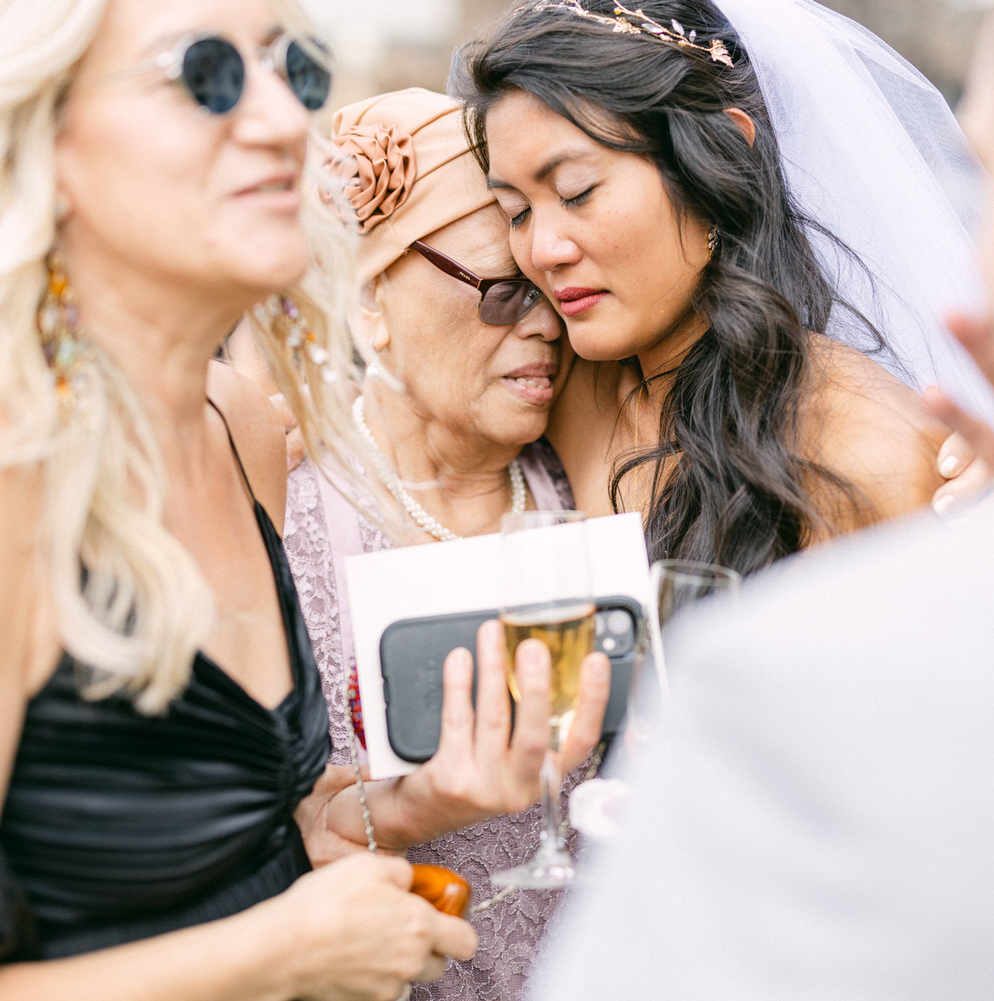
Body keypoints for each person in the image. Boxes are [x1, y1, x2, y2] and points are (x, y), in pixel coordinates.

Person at [0, 0, 608, 997]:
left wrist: (426, 799)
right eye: (201, 73)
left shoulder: (233, 421)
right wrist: (284, 954)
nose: (281, 121)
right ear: (44, 133)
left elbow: (232, 840)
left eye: (287, 67)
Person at [530, 0, 994, 995]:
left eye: (989, 182)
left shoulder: (812, 643)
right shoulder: (556, 379)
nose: (967, 294)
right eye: (512, 210)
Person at [455, 0, 994, 576]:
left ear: (718, 158)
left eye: (577, 191)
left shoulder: (863, 452)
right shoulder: (560, 384)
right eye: (515, 211)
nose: (543, 252)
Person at [285, 87, 582, 1001]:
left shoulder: (596, 477)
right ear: (371, 297)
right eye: (502, 290)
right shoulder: (288, 518)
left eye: (554, 287)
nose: (544, 322)